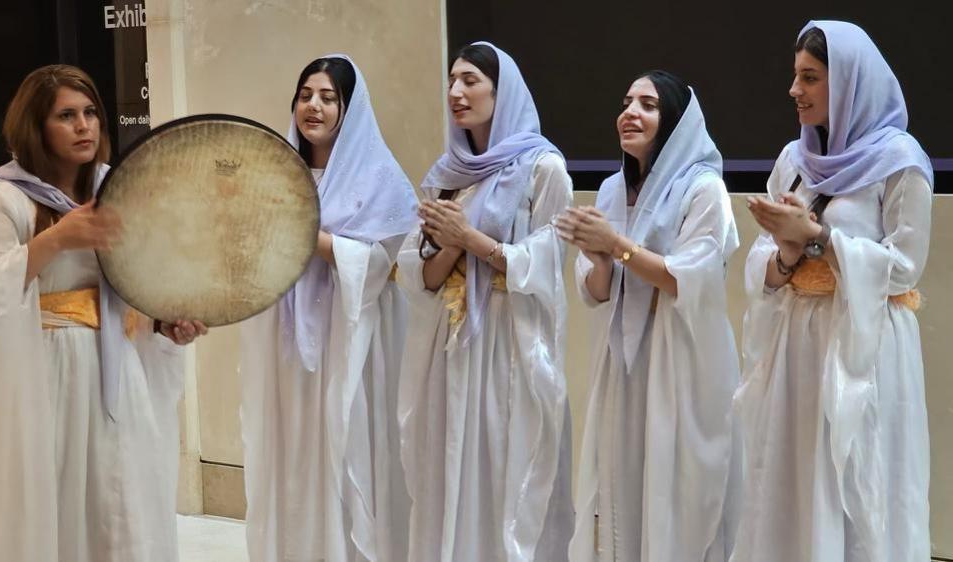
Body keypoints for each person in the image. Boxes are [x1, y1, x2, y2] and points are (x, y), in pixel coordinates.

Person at [0, 64, 204, 562]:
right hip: (50, 374)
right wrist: (54, 239)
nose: (84, 125)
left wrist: (163, 322)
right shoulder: (8, 198)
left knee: (122, 497)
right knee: (59, 499)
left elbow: (142, 279)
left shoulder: (119, 189)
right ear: (37, 127)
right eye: (66, 115)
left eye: (90, 113)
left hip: (117, 372)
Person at [734, 21, 934, 562]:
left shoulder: (900, 160)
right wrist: (788, 253)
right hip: (797, 344)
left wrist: (819, 239)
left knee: (858, 481)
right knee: (794, 478)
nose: (794, 90)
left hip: (862, 349)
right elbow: (761, 265)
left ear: (848, 83)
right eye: (795, 76)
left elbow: (905, 267)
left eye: (810, 78)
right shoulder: (794, 161)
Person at [397, 42, 574, 562]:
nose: (456, 92)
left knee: (505, 466)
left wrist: (470, 240)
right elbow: (420, 272)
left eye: (471, 80)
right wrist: (454, 241)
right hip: (448, 345)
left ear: (503, 91)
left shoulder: (544, 170)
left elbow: (548, 261)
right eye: (452, 80)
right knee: (447, 468)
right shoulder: (448, 174)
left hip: (508, 344)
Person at [239, 55, 419, 562]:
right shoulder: (276, 172)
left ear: (349, 106)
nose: (313, 106)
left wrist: (311, 240)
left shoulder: (379, 176)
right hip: (286, 340)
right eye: (305, 95)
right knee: (290, 451)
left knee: (343, 452)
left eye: (327, 97)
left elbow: (386, 265)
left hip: (350, 339)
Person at [556, 70, 741, 562]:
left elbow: (689, 279)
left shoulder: (704, 189)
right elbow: (595, 292)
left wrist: (614, 246)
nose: (630, 112)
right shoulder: (613, 189)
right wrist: (597, 259)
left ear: (676, 123)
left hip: (680, 356)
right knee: (620, 480)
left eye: (649, 105)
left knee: (679, 489)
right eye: (626, 101)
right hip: (622, 360)